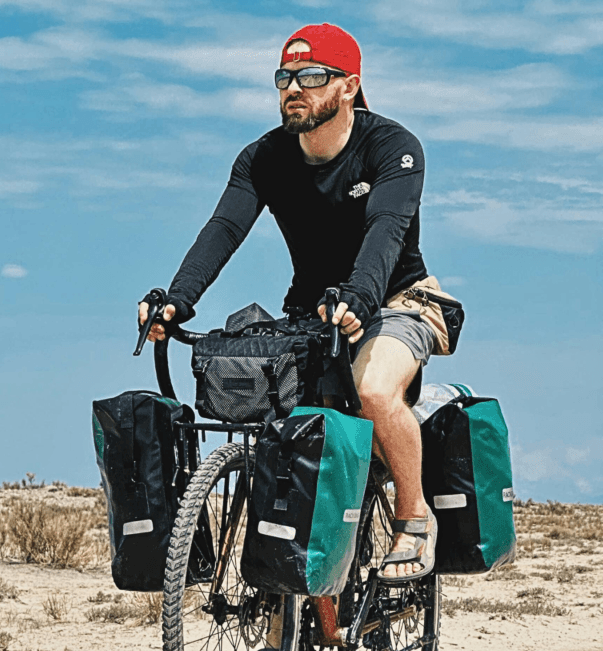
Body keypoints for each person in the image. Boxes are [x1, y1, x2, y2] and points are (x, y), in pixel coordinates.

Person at [139, 23, 455, 582]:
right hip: (314, 312)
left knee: (375, 390)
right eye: (285, 77)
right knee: (284, 449)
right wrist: (177, 301)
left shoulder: (393, 149)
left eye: (312, 77)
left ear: (349, 87)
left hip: (399, 300)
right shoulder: (263, 158)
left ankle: (414, 518)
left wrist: (360, 294)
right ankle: (285, 635)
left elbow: (386, 230)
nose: (294, 88)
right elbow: (223, 229)